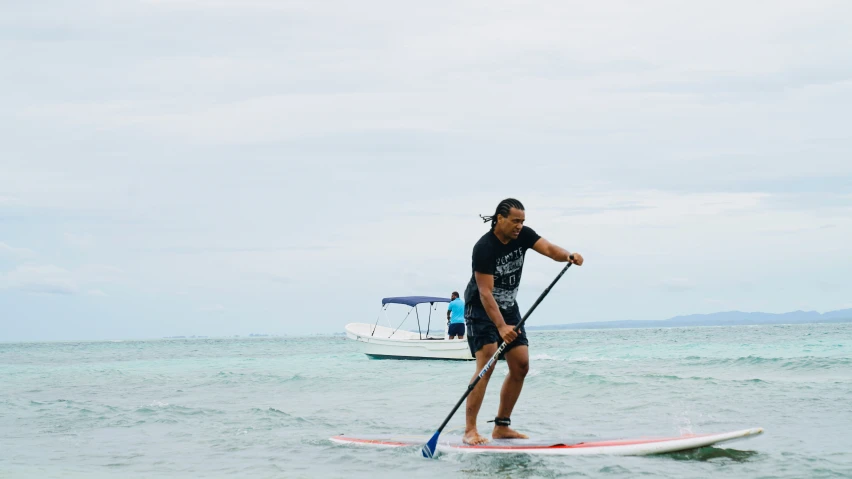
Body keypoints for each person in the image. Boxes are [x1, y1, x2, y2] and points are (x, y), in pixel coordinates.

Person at [462, 198, 583, 445]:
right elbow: (485, 292)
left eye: (522, 221)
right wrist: (501, 327)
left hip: (508, 308)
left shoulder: (524, 236)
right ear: (499, 219)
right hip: (481, 308)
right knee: (488, 360)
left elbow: (549, 250)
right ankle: (470, 430)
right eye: (515, 221)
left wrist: (568, 255)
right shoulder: (484, 247)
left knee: (521, 365)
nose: (519, 226)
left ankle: (502, 427)